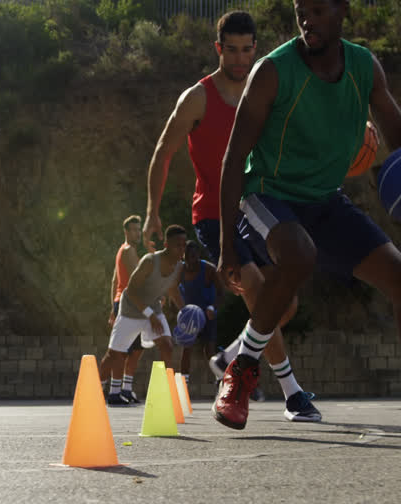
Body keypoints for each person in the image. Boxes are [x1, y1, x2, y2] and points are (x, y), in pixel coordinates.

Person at [213, 0, 401, 432]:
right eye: (300, 9)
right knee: (299, 254)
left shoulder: (364, 67)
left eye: (317, 9)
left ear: (342, 10)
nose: (306, 18)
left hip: (323, 200)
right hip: (266, 194)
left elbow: (399, 138)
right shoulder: (273, 72)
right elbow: (233, 156)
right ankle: (240, 373)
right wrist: (226, 248)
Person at [143, 10, 320, 423]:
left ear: (256, 49)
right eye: (232, 51)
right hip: (212, 213)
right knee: (257, 287)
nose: (240, 60)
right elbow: (162, 153)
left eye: (247, 50)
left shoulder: (264, 91)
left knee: (285, 303)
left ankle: (231, 357)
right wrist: (152, 212)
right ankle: (292, 394)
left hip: (257, 209)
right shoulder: (198, 98)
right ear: (218, 49)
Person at [104, 224, 187, 406]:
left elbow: (172, 288)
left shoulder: (179, 266)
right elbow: (131, 291)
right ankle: (103, 387)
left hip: (153, 308)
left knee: (166, 345)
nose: (181, 249)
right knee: (114, 354)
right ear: (166, 244)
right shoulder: (148, 260)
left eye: (184, 245)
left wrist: (184, 310)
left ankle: (166, 394)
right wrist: (149, 314)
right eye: (177, 245)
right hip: (131, 308)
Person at [99, 215, 150, 404]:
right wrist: (116, 305)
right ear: (126, 232)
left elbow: (114, 280)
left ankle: (125, 389)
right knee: (117, 351)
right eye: (135, 230)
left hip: (127, 304)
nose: (137, 233)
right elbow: (141, 279)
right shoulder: (128, 250)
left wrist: (112, 306)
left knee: (136, 350)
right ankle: (109, 391)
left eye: (139, 229)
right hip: (128, 304)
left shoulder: (125, 251)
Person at [175, 240, 221, 387]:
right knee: (186, 347)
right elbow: (172, 290)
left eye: (193, 257)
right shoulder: (180, 270)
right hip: (189, 315)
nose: (190, 261)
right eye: (187, 258)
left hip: (207, 313)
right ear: (183, 257)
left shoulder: (209, 269)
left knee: (209, 349)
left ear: (198, 255)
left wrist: (213, 308)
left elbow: (221, 292)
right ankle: (184, 383)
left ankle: (220, 379)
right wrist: (178, 309)